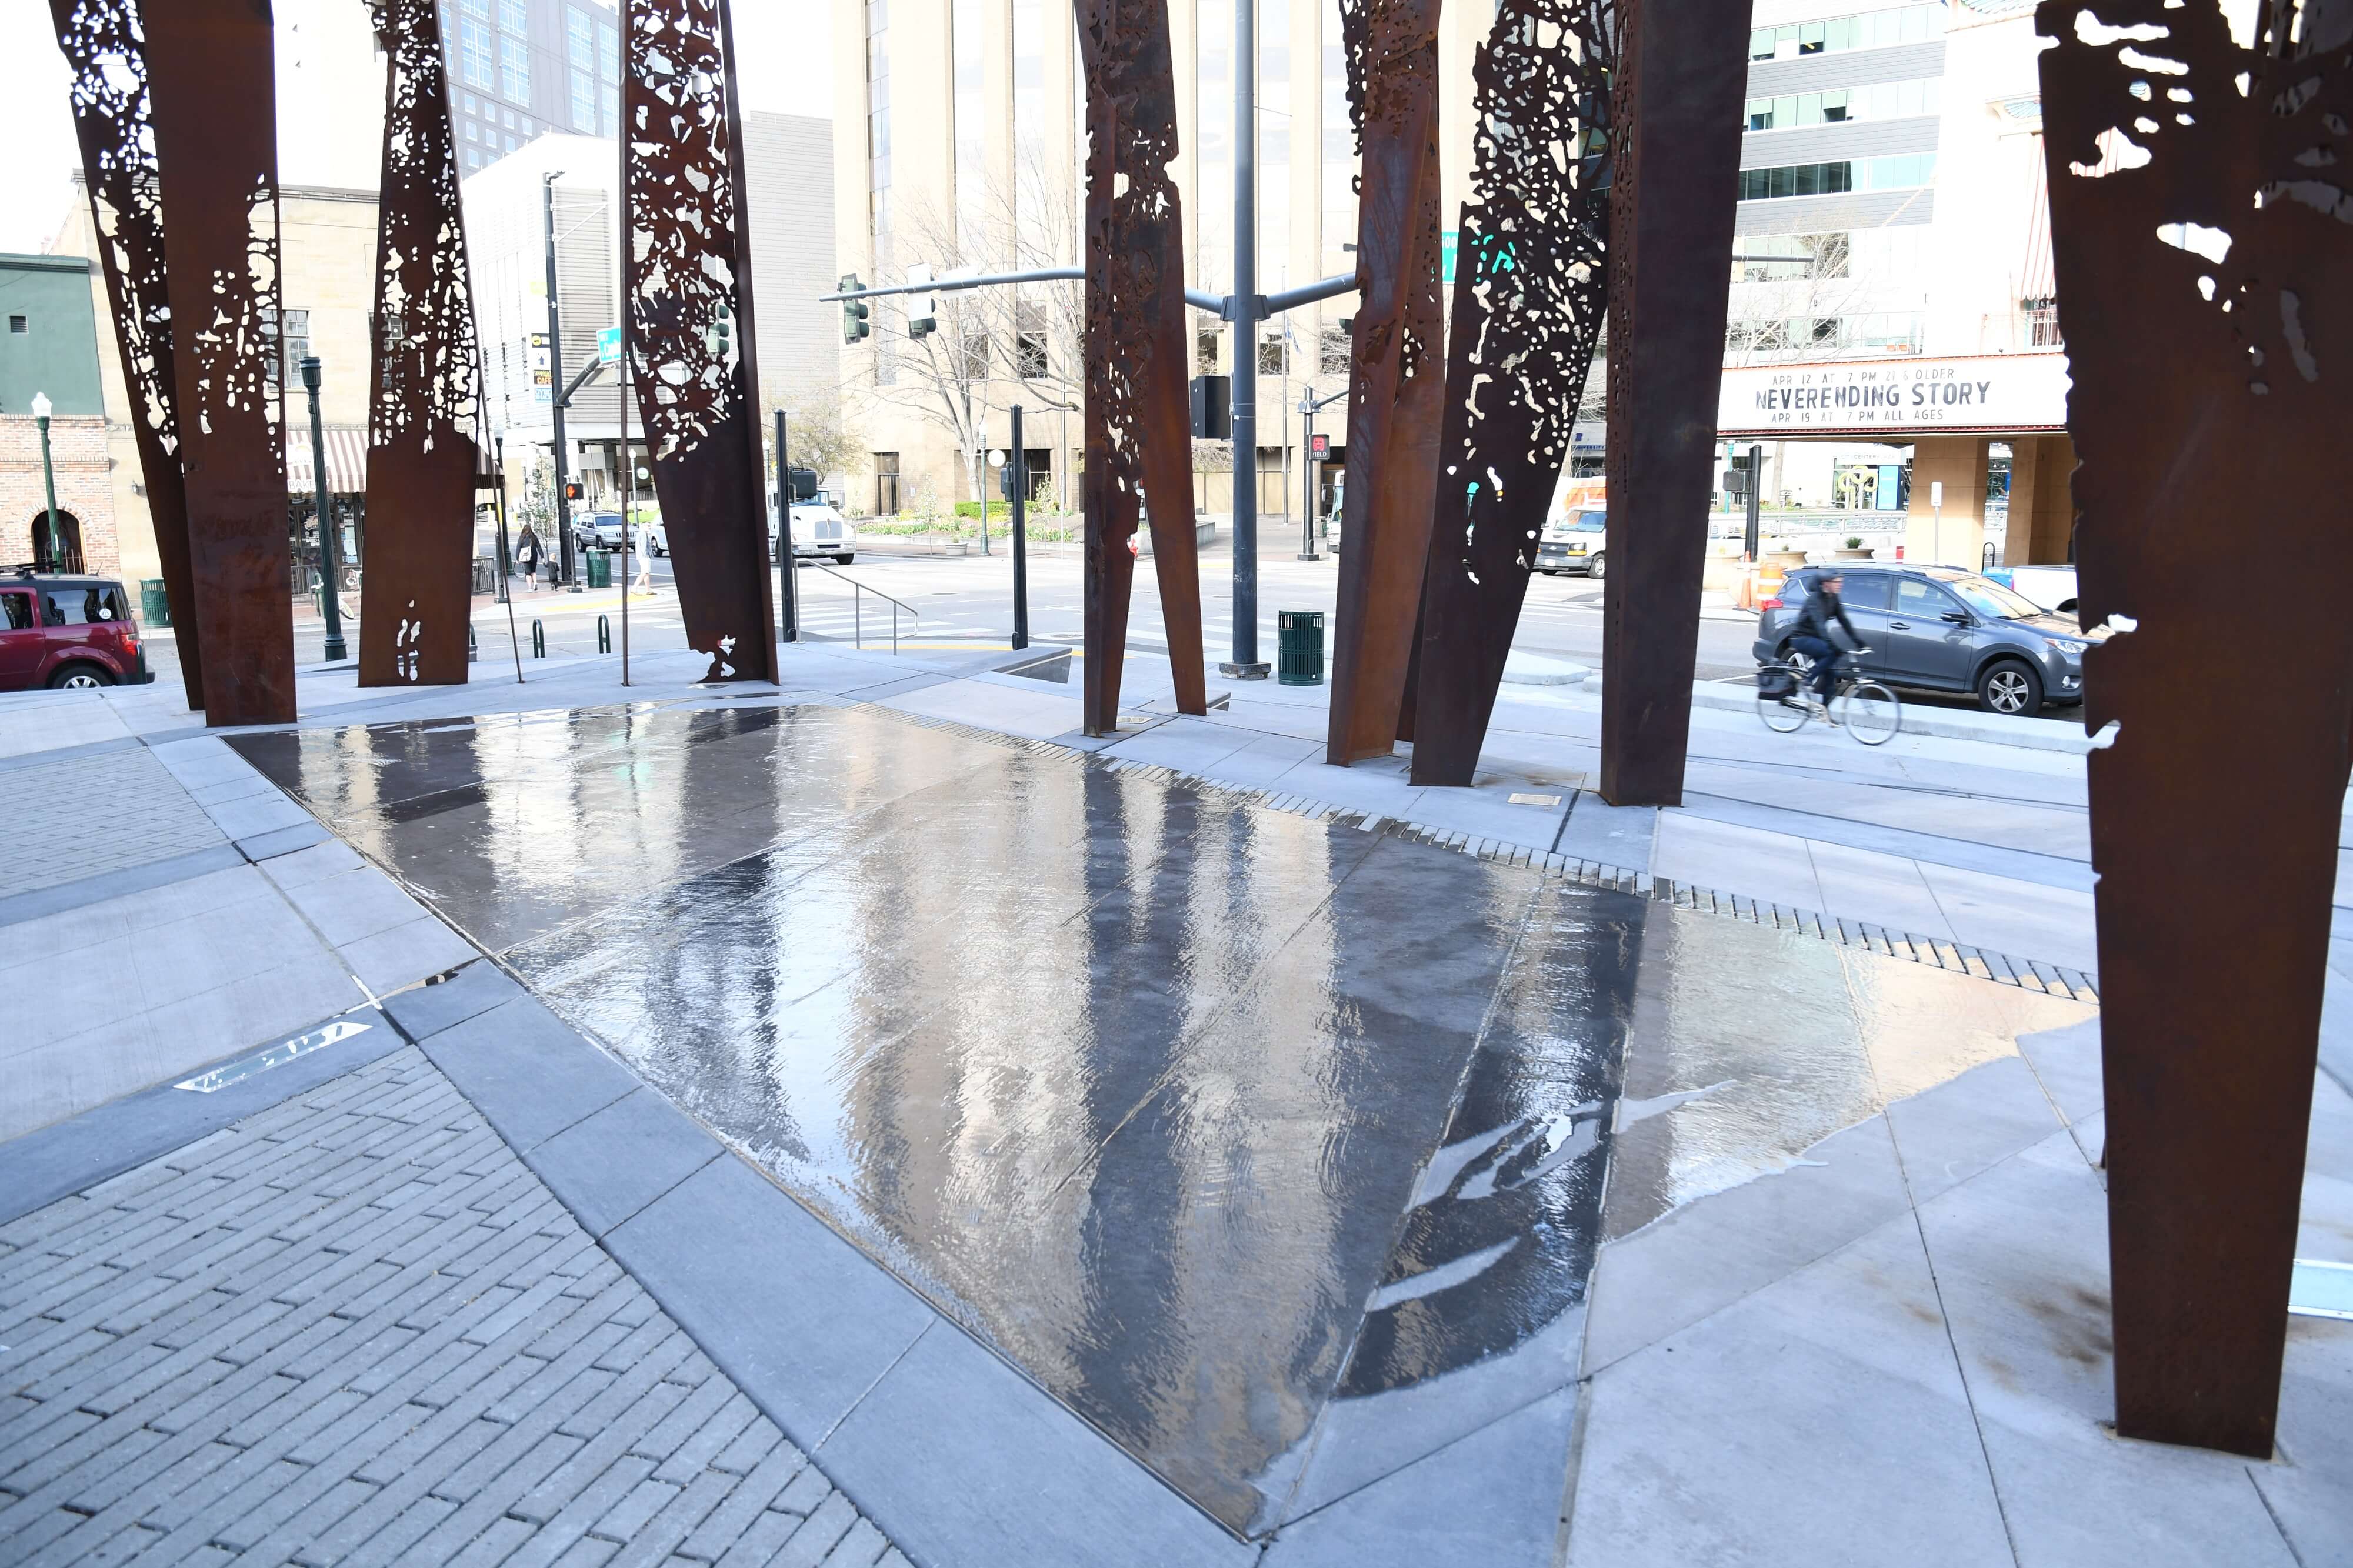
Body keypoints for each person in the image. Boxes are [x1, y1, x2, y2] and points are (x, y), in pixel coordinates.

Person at [1788, 570, 1862, 720]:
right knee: (1830, 653)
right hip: (1802, 638)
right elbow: (1819, 625)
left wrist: (1859, 642)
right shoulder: (1814, 600)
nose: (1840, 585)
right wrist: (1833, 645)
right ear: (1826, 584)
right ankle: (1808, 680)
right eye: (1837, 582)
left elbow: (1844, 621)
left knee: (1830, 676)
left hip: (1816, 638)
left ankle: (1824, 712)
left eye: (1841, 582)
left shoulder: (1833, 599)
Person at [516, 525, 541, 592]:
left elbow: (518, 548)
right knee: (534, 571)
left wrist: (517, 558)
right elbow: (539, 547)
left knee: (528, 573)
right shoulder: (534, 537)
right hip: (534, 555)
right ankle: (535, 583)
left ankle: (530, 588)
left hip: (526, 556)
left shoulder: (522, 538)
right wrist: (542, 556)